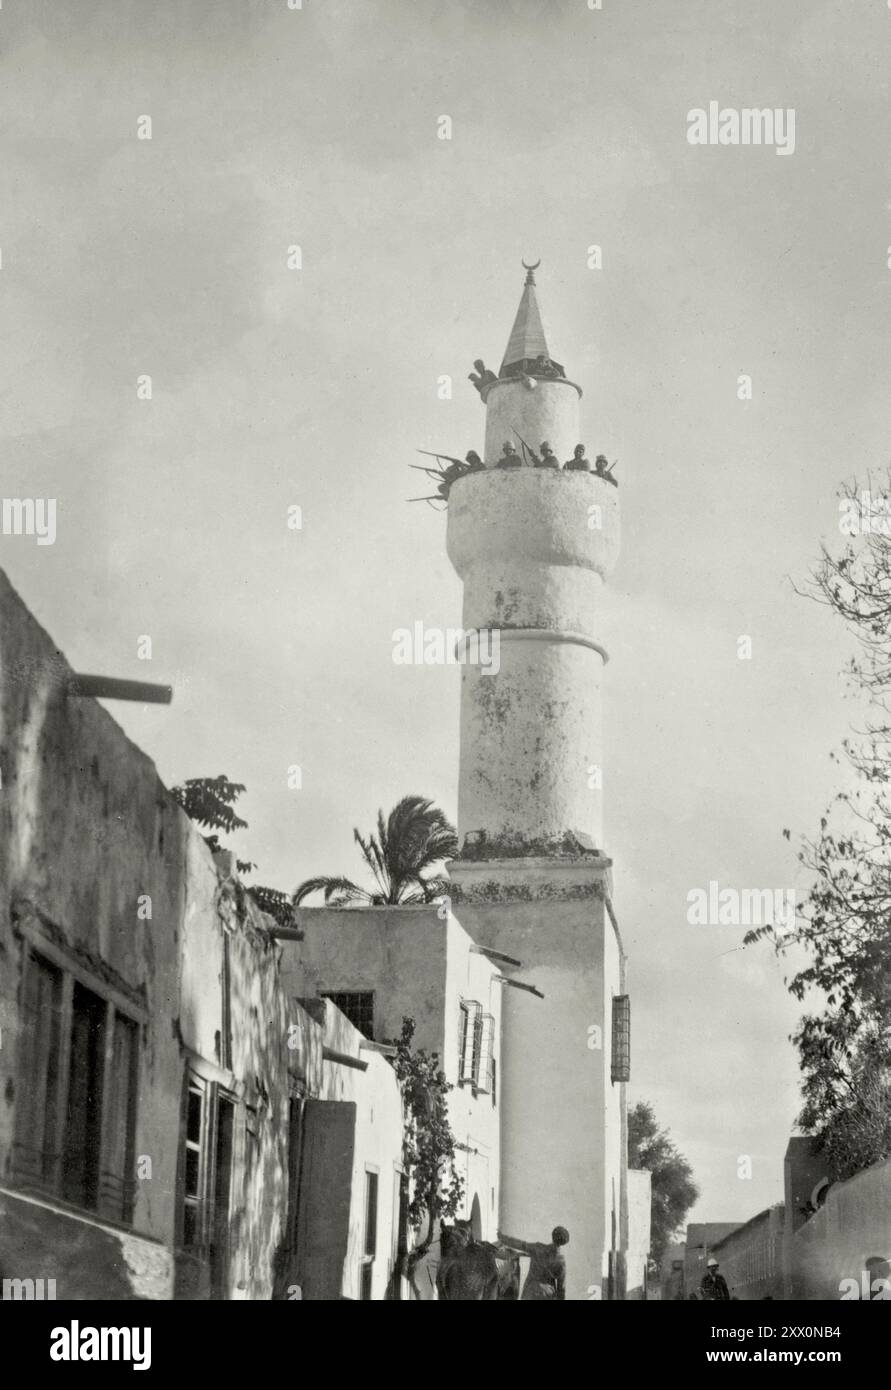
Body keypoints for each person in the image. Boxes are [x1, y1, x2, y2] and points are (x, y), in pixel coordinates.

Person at [497, 1226, 569, 1300]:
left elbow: (521, 1245)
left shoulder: (538, 1248)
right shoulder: (561, 1261)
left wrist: (502, 1237)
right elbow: (561, 1289)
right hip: (547, 1294)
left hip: (531, 1291)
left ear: (553, 1236)